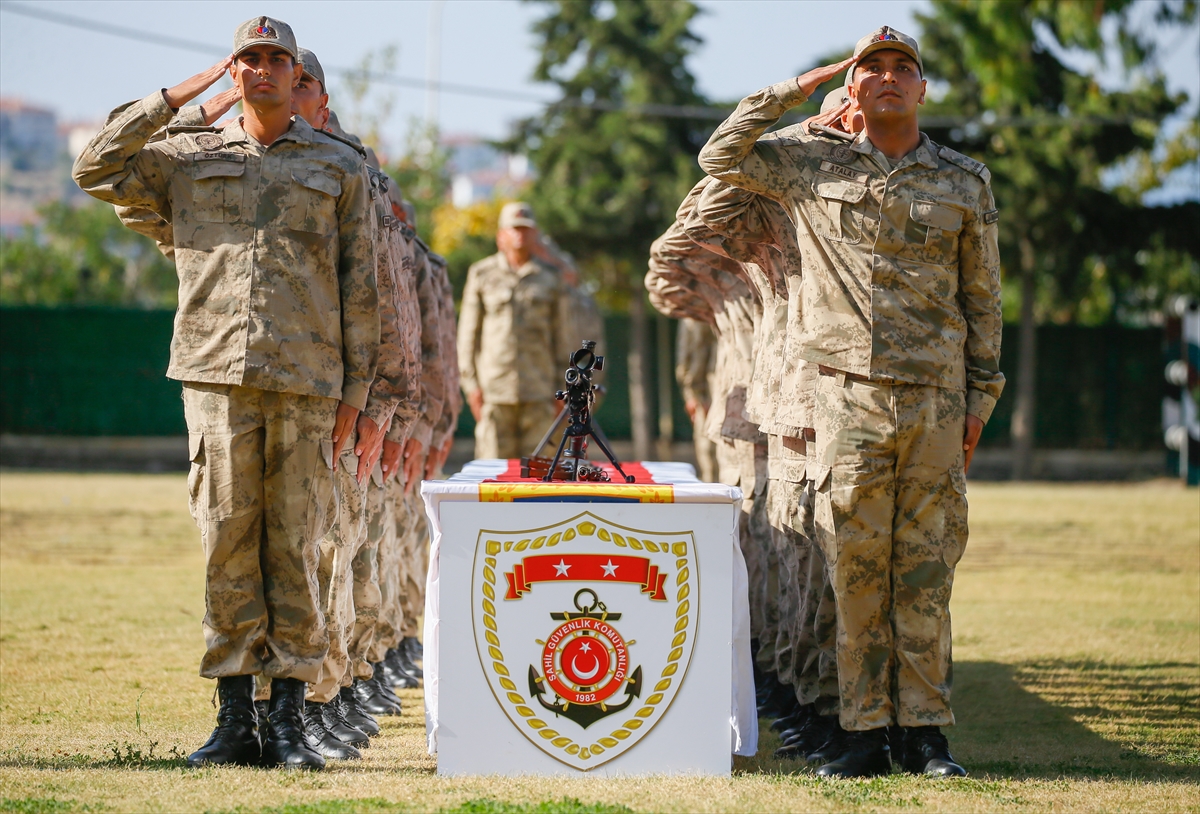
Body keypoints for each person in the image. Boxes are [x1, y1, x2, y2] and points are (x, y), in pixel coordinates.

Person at [73, 17, 380, 771]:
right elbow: (93, 166)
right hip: (216, 376)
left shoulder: (339, 166)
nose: (265, 70)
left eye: (278, 59)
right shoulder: (186, 157)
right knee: (225, 547)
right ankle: (235, 721)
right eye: (250, 59)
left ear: (294, 71)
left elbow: (361, 285)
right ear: (233, 69)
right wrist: (188, 94)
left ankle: (289, 725)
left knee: (298, 550)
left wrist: (360, 396)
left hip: (309, 384)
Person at [699, 26, 1004, 778]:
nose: (890, 78)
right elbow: (719, 156)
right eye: (874, 68)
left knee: (927, 571)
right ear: (856, 86)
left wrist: (979, 401)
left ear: (924, 90)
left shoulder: (964, 181)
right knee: (856, 571)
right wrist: (806, 87)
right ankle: (865, 731)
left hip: (935, 401)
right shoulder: (808, 164)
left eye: (905, 69)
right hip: (846, 400)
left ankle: (926, 734)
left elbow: (983, 299)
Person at [457, 202, 573, 459]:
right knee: (493, 477)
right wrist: (472, 387)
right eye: (514, 229)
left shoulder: (551, 277)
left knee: (542, 478)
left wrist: (562, 389)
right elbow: (467, 337)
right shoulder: (482, 274)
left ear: (535, 235)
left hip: (540, 394)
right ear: (501, 236)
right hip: (494, 394)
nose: (520, 235)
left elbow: (562, 336)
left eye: (526, 229)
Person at [674, 318, 719, 482]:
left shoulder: (695, 307)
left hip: (711, 392)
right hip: (712, 390)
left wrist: (694, 392)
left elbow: (691, 350)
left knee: (711, 459)